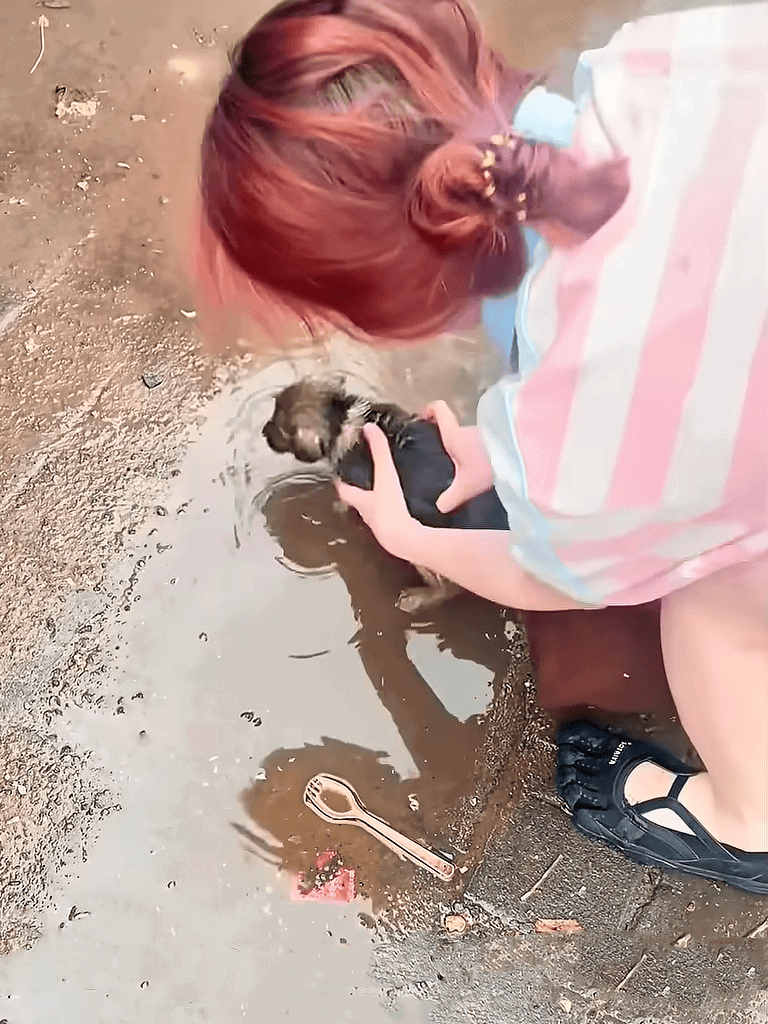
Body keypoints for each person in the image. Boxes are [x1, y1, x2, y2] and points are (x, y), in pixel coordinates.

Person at [197, 0, 767, 893]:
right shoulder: (655, 64)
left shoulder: (608, 390)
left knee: (714, 603)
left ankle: (744, 825)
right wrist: (517, 451)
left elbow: (562, 569)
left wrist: (415, 537)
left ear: (397, 298)